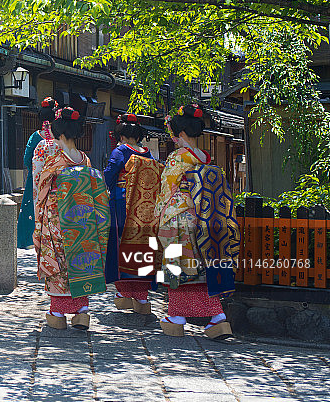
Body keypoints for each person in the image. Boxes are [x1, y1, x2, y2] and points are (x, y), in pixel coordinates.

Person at [155, 104, 240, 339]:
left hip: (179, 216)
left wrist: (159, 215)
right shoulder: (205, 157)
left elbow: (167, 190)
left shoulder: (178, 157)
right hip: (203, 216)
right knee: (202, 267)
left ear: (181, 133)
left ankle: (177, 317)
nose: (173, 138)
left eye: (174, 134)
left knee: (177, 266)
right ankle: (216, 317)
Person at [33, 107, 110, 330]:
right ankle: (82, 311)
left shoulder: (55, 161)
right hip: (83, 220)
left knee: (58, 263)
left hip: (58, 219)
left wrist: (39, 222)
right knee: (80, 260)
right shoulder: (85, 160)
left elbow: (41, 191)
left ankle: (57, 312)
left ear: (60, 135)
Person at [103, 113, 162, 315]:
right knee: (143, 245)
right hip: (145, 206)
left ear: (121, 134)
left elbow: (109, 176)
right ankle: (142, 295)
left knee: (122, 244)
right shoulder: (147, 154)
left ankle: (124, 292)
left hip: (123, 202)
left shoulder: (120, 151)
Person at [17, 97, 57, 248]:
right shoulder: (60, 138)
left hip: (36, 179)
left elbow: (27, 160)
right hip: (57, 181)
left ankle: (29, 240)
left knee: (31, 207)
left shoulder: (35, 137)